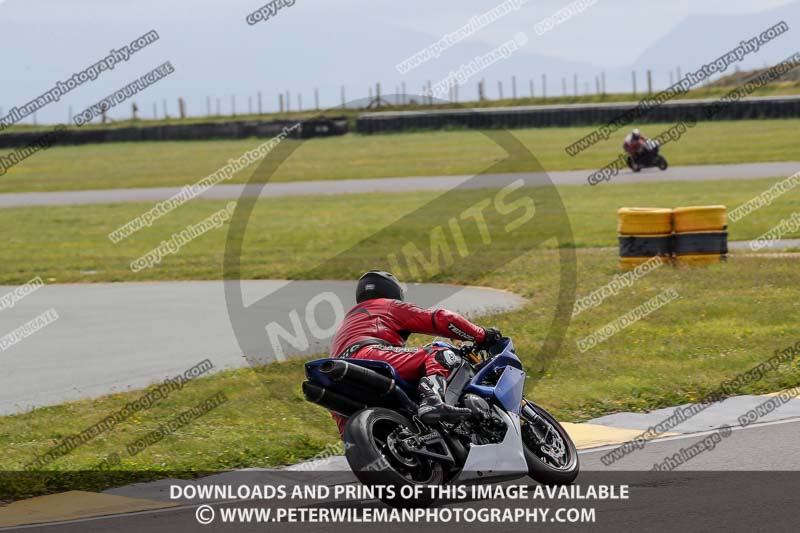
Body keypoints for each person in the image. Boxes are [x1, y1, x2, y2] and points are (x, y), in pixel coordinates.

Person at [328, 271, 502, 434]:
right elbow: (443, 319)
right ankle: (433, 400)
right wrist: (481, 335)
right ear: (393, 292)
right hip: (369, 356)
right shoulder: (387, 305)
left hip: (337, 380)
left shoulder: (346, 323)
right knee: (439, 351)